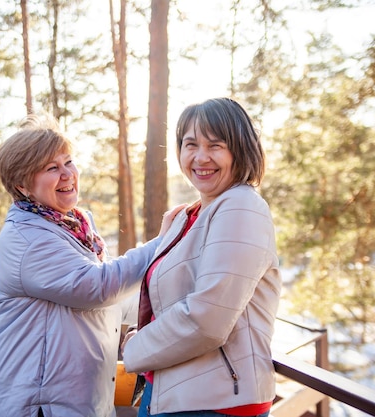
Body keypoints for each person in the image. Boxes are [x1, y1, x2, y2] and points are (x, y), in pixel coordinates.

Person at [0, 113, 183, 417]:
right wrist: (163, 241)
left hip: (79, 400)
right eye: (52, 168)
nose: (67, 174)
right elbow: (98, 287)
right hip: (39, 405)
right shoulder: (28, 239)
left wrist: (171, 299)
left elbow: (110, 303)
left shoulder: (73, 225)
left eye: (68, 161)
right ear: (22, 185)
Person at [122, 97, 282, 417]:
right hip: (174, 390)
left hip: (217, 401)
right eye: (190, 144)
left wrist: (134, 349)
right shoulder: (190, 215)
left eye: (215, 145)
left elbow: (207, 319)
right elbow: (168, 297)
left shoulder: (240, 206)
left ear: (240, 149)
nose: (200, 157)